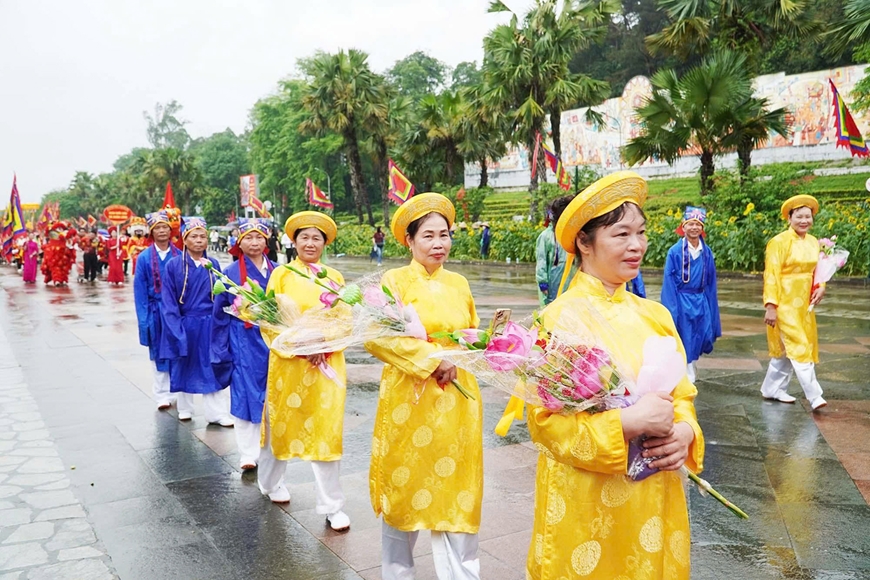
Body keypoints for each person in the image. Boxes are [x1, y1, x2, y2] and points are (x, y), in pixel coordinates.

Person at [524, 171, 704, 580]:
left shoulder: (656, 315)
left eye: (641, 232)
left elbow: (682, 395)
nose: (636, 245)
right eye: (621, 234)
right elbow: (545, 426)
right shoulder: (557, 321)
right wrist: (625, 422)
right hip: (586, 503)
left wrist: (685, 433)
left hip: (653, 494)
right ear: (584, 243)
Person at [365, 193, 483, 580]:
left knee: (459, 492)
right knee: (405, 489)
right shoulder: (394, 280)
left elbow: (471, 332)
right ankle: (398, 572)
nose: (438, 244)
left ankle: (463, 574)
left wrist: (488, 345)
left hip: (458, 401)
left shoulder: (459, 282)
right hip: (410, 400)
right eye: (428, 236)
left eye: (444, 235)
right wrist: (432, 360)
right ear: (409, 241)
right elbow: (378, 337)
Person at [257, 211, 351, 532]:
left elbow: (345, 320)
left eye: (316, 238)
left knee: (326, 432)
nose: (310, 243)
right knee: (280, 426)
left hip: (326, 364)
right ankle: (270, 482)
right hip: (290, 365)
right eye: (304, 237)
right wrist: (299, 343)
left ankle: (332, 505)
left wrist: (323, 341)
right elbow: (269, 319)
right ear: (294, 242)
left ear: (325, 243)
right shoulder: (281, 274)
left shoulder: (334, 277)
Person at [212, 219, 276, 470]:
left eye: (259, 237)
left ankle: (269, 448)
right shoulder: (228, 273)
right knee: (244, 395)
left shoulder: (278, 271)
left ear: (266, 240)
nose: (254, 242)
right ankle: (247, 453)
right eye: (248, 237)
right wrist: (220, 348)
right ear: (239, 241)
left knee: (272, 394)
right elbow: (219, 315)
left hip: (272, 340)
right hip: (243, 342)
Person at [159, 217, 233, 425]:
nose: (199, 240)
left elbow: (221, 295)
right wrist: (176, 329)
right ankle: (185, 408)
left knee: (212, 365)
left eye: (203, 236)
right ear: (185, 239)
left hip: (209, 323)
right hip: (186, 323)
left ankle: (216, 413)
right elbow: (168, 301)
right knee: (184, 364)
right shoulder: (174, 265)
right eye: (194, 236)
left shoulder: (213, 264)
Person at [760, 195, 827, 410]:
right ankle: (815, 396)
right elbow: (771, 274)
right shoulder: (779, 242)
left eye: (808, 216)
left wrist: (821, 286)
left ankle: (772, 389)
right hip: (785, 303)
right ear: (789, 218)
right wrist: (771, 306)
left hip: (804, 304)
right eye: (799, 216)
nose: (804, 221)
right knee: (799, 346)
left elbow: (818, 270)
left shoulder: (814, 242)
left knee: (784, 351)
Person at [661, 206, 721, 383]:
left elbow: (710, 281)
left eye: (698, 224)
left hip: (700, 298)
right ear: (683, 226)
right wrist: (671, 309)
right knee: (685, 334)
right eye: (690, 224)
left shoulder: (706, 251)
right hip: (682, 299)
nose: (694, 228)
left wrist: (710, 304)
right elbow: (669, 281)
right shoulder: (674, 252)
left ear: (702, 228)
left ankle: (690, 364)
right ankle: (687, 372)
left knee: (700, 334)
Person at [134, 211, 182, 410]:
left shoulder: (180, 255)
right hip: (155, 311)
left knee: (178, 351)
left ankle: (177, 391)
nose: (162, 231)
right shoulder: (144, 258)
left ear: (171, 230)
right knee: (158, 352)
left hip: (176, 312)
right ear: (151, 232)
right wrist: (143, 320)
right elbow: (139, 291)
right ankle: (162, 394)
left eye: (165, 227)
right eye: (157, 228)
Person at [535, 206, 566, 305]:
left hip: (567, 277)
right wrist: (543, 282)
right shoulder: (545, 236)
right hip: (552, 277)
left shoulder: (566, 234)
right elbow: (542, 260)